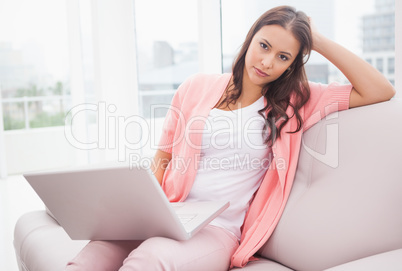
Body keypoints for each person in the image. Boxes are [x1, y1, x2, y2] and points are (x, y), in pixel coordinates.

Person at [66, 5, 395, 271]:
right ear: (250, 39)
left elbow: (380, 90)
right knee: (91, 257)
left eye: (284, 57)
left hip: (218, 230)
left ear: (293, 64)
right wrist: (137, 212)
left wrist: (317, 39)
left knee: (151, 258)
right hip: (168, 215)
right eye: (264, 46)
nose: (267, 62)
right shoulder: (195, 86)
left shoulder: (297, 102)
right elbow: (163, 158)